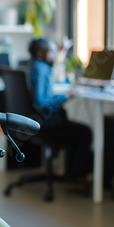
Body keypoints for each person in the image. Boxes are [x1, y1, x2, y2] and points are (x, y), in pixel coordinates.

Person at [28, 38, 93, 179]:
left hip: (39, 120)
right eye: (51, 52)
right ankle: (75, 176)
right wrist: (67, 96)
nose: (54, 55)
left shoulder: (34, 66)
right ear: (40, 53)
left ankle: (71, 174)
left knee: (74, 130)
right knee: (84, 132)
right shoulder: (41, 69)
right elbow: (41, 101)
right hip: (46, 121)